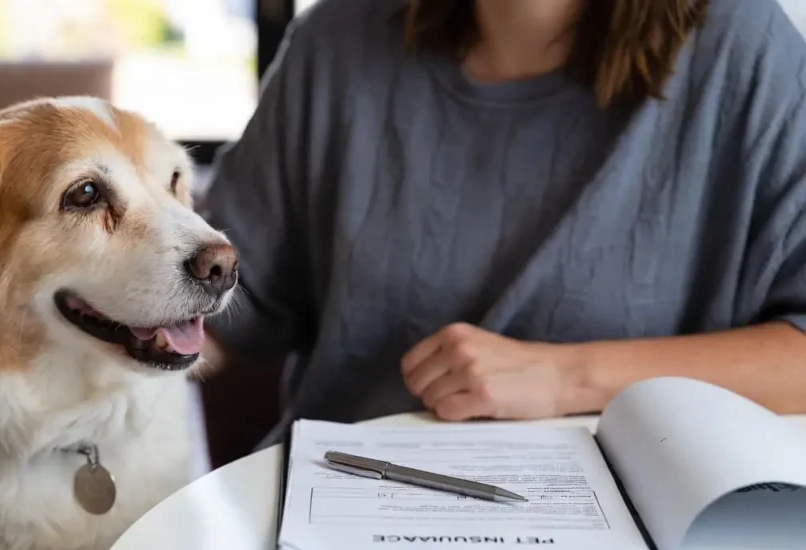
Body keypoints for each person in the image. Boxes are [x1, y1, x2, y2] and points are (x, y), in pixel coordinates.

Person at [197, 0, 806, 450]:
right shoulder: (336, 41)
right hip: (340, 515)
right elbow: (217, 302)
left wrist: (569, 377)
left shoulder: (742, 49)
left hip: (635, 533)